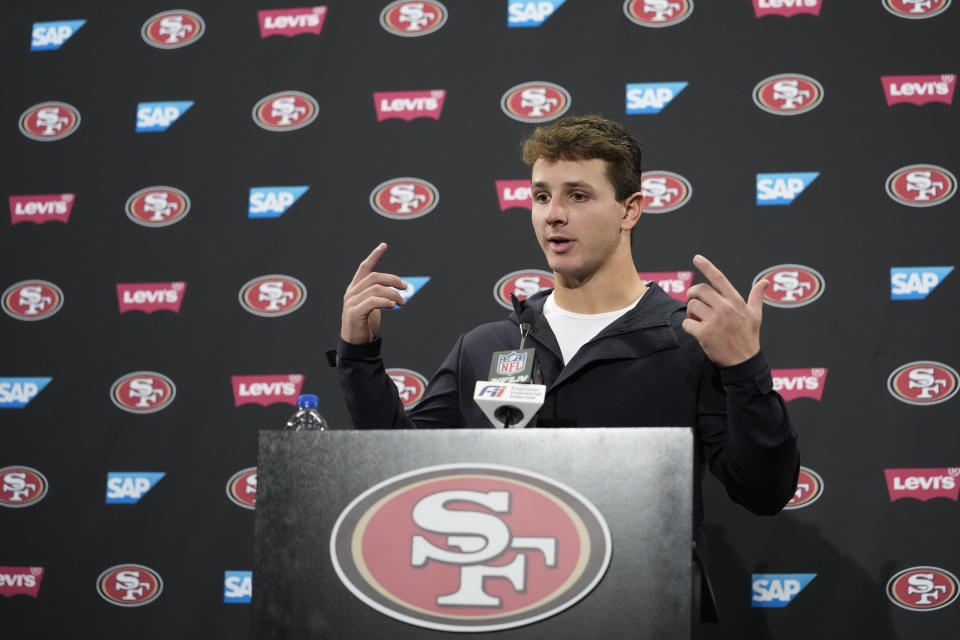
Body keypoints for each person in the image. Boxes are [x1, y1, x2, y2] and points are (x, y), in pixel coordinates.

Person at [333, 114, 800, 621]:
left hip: (637, 616)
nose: (553, 215)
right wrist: (360, 356)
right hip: (499, 613)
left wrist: (743, 367)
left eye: (577, 196)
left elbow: (764, 490)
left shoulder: (686, 343)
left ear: (631, 210)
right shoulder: (487, 345)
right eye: (540, 196)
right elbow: (401, 477)